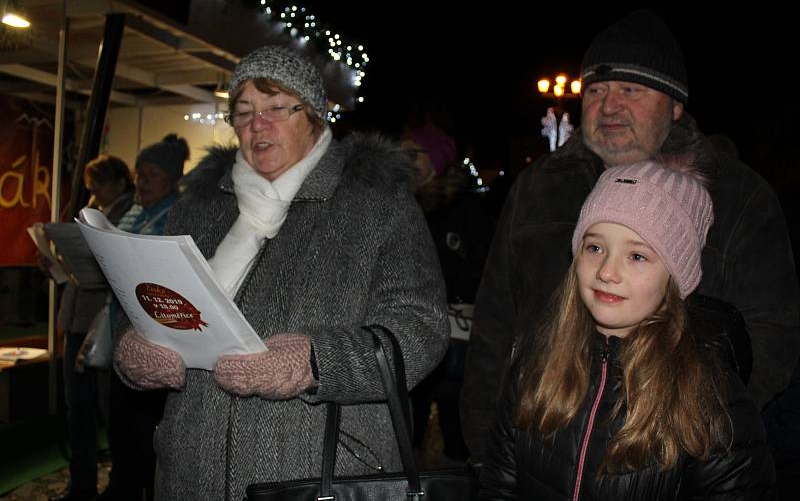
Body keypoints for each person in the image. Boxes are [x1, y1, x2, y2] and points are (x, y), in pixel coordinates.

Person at [461, 9, 800, 464]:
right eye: (596, 90)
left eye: (631, 90)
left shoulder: (739, 198)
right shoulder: (540, 187)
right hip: (538, 445)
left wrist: (693, 438)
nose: (609, 105)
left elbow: (771, 338)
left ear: (676, 106)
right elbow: (495, 324)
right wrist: (488, 445)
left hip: (666, 455)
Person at [112, 46, 449, 500]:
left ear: (312, 115)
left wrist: (314, 363)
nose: (257, 125)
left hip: (318, 473)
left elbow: (421, 330)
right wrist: (135, 343)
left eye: (275, 108)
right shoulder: (200, 207)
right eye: (244, 111)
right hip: (192, 470)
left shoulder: (376, 203)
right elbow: (154, 305)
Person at [478, 160, 775, 499]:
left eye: (637, 256)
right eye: (595, 247)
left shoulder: (711, 398)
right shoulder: (538, 366)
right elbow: (499, 485)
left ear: (675, 277)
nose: (607, 270)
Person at [401, 122, 493, 465]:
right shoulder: (396, 203)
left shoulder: (465, 208)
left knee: (457, 427)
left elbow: (484, 269)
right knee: (407, 430)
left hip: (455, 337)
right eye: (401, 153)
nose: (405, 161)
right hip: (410, 333)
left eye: (414, 153)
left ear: (437, 159)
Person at [106, 135, 189, 501]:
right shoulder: (131, 212)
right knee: (120, 426)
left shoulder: (180, 215)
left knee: (144, 432)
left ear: (172, 179)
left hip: (156, 343)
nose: (141, 182)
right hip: (121, 332)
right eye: (140, 173)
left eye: (152, 174)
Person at [48, 154, 134, 501]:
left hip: (103, 324)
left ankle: (119, 483)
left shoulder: (127, 216)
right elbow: (76, 276)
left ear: (117, 183)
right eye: (90, 186)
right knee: (78, 406)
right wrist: (55, 263)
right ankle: (82, 482)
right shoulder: (91, 214)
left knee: (107, 408)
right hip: (78, 319)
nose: (93, 192)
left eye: (98, 184)